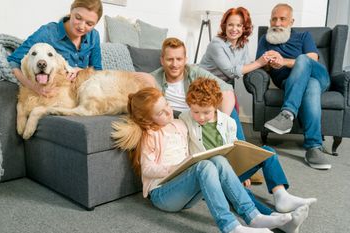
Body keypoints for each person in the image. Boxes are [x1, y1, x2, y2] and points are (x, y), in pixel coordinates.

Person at [111, 87, 294, 233]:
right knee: (204, 166)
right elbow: (147, 169)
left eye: (167, 104)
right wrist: (174, 168)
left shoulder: (180, 124)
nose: (168, 111)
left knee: (218, 160)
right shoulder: (151, 134)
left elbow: (201, 123)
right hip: (163, 194)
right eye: (161, 113)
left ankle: (253, 216)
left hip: (187, 194)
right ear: (148, 120)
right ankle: (230, 226)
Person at [179, 77, 316, 233]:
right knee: (241, 194)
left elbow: (236, 147)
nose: (201, 117)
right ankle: (279, 221)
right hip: (209, 176)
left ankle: (281, 195)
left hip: (232, 168)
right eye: (195, 111)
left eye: (206, 112)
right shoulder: (185, 119)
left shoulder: (228, 122)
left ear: (216, 105)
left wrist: (245, 166)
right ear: (189, 106)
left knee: (268, 152)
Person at [256, 3, 331, 170]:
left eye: (282, 19)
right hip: (289, 83)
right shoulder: (265, 40)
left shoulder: (304, 36)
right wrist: (270, 62)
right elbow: (261, 66)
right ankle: (313, 148)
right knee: (310, 86)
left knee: (304, 60)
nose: (277, 23)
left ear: (291, 21)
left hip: (319, 76)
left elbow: (312, 60)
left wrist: (284, 61)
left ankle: (287, 113)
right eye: (274, 19)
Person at [150, 37, 245, 141]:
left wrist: (222, 121)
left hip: (201, 114)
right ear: (162, 60)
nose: (174, 64)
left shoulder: (194, 72)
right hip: (180, 119)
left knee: (229, 109)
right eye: (169, 59)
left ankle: (240, 146)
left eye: (179, 59)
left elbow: (226, 89)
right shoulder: (152, 79)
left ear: (185, 60)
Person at [199, 7, 269, 84]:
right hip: (204, 84)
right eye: (230, 25)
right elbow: (231, 72)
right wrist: (259, 63)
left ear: (244, 28)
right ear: (225, 26)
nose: (234, 29)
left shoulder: (243, 44)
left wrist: (265, 61)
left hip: (223, 84)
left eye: (239, 25)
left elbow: (247, 65)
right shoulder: (216, 44)